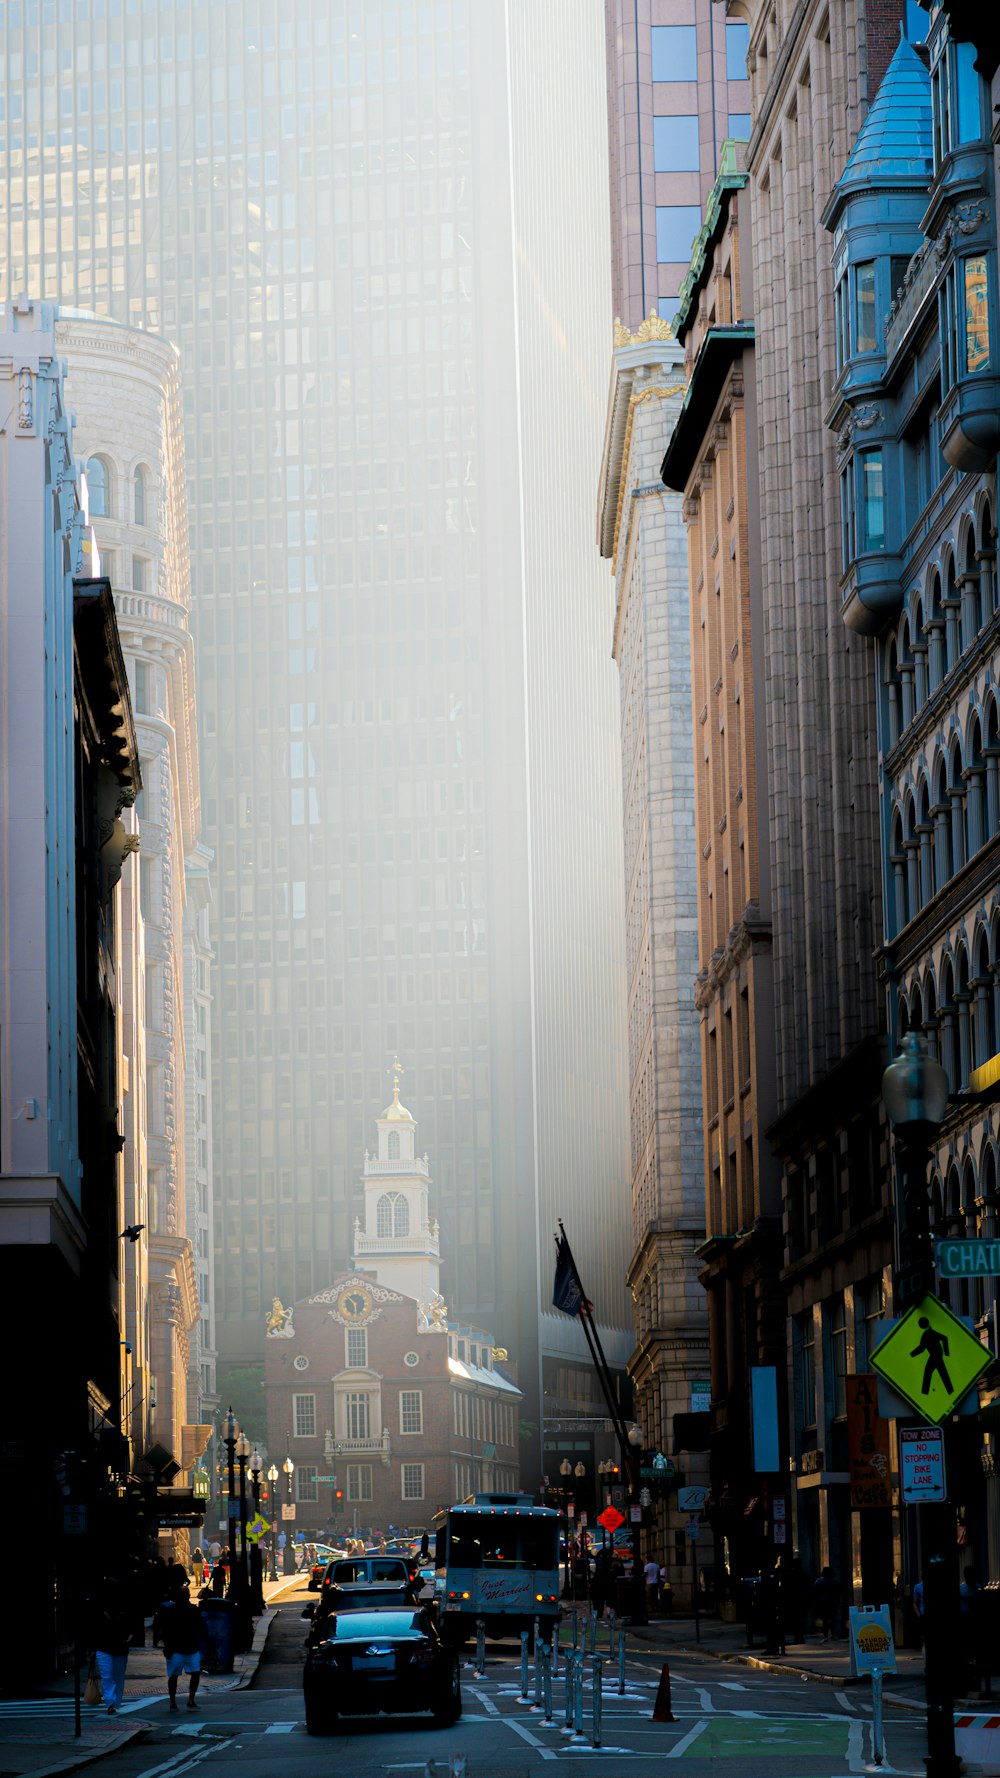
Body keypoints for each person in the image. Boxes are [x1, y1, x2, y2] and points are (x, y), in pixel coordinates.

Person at [154, 1580, 207, 1711]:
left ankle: (190, 1699)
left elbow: (201, 1628)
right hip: (176, 1648)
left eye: (185, 1593)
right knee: (174, 1675)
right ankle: (174, 1700)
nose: (184, 1595)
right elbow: (164, 1629)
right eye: (182, 1593)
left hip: (189, 1648)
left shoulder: (191, 1610)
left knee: (194, 1673)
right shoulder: (172, 1611)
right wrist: (166, 1645)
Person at [93, 1581, 132, 1715]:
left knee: (110, 1676)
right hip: (110, 1646)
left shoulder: (117, 1608)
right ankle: (111, 1702)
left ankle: (112, 1701)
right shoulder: (120, 1608)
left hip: (110, 1645)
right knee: (112, 1676)